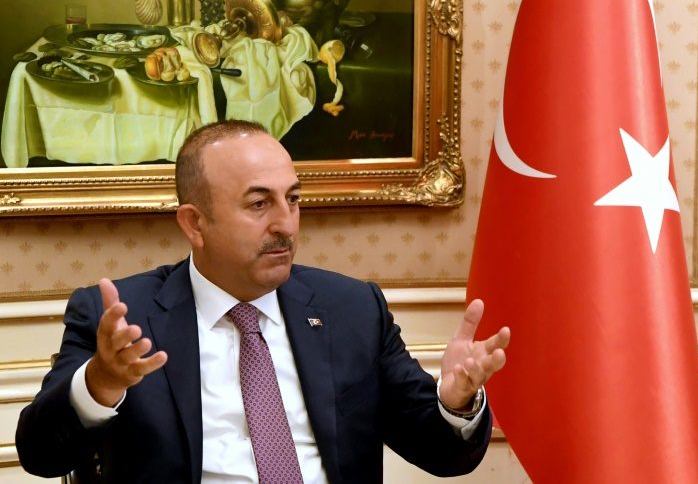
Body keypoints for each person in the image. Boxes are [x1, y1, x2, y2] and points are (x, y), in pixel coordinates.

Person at [16, 120, 510, 483]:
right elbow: (41, 455)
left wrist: (456, 402)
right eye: (259, 204)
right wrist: (101, 384)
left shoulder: (352, 309)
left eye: (292, 199)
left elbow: (443, 454)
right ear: (195, 223)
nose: (285, 224)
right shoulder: (123, 316)